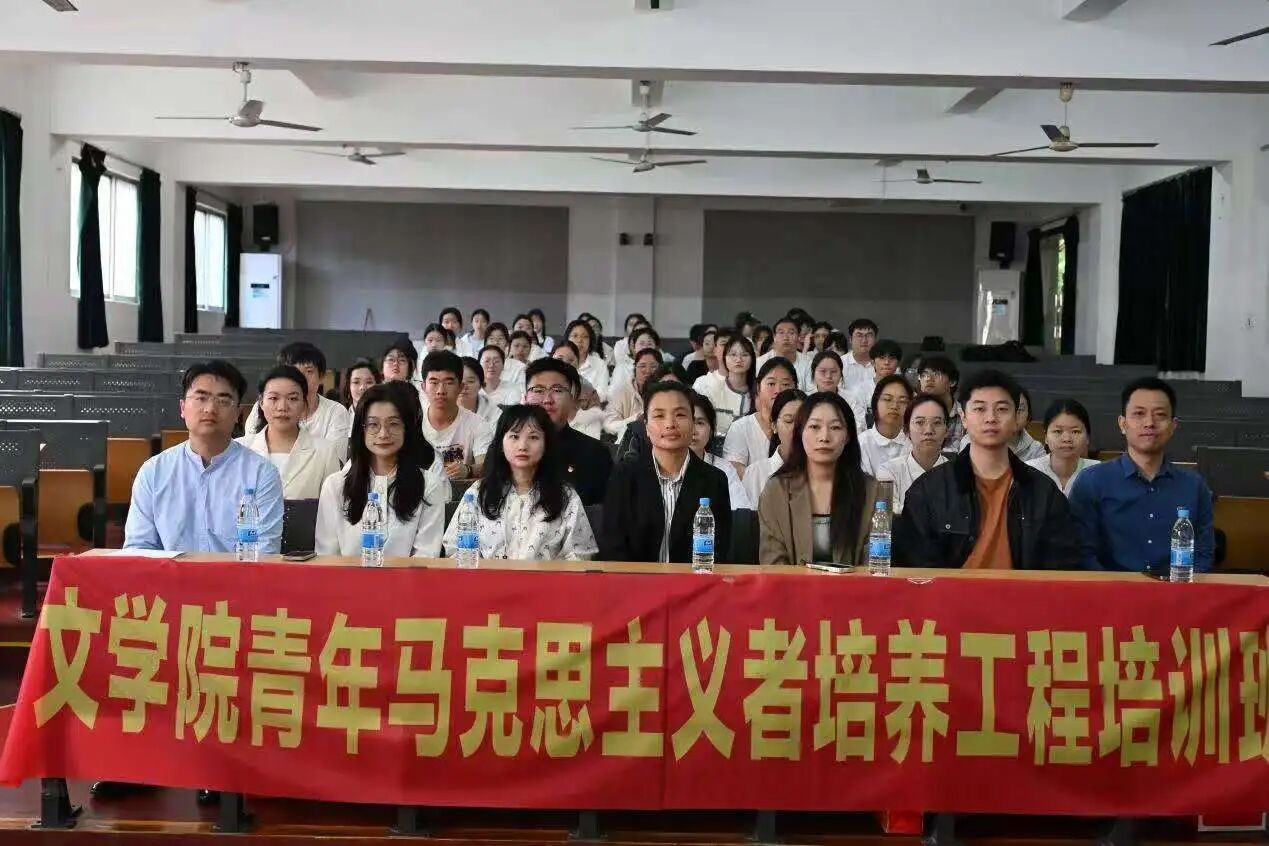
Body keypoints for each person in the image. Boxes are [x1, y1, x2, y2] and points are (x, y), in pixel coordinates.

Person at [894, 369, 1081, 570]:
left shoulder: (1043, 493)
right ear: (963, 418)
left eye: (1001, 409)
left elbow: (1060, 568)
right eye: (980, 409)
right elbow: (914, 565)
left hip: (1021, 590)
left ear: (1016, 419)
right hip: (951, 590)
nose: (991, 418)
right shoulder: (929, 490)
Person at [124, 360, 283, 553]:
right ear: (182, 407)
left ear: (238, 414)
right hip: (170, 573)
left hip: (238, 573)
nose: (210, 409)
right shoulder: (153, 472)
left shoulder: (262, 474)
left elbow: (265, 553)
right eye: (201, 398)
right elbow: (138, 550)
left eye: (223, 400)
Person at [1068, 377, 1214, 573]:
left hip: (1177, 589)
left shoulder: (1194, 486)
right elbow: (1083, 553)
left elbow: (1204, 554)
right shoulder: (1092, 481)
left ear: (1173, 426)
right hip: (1111, 589)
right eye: (1139, 414)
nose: (1149, 423)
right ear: (1122, 424)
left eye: (1160, 415)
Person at [442, 404, 597, 560]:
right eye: (515, 437)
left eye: (533, 437)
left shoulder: (566, 496)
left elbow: (580, 555)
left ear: (546, 445)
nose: (523, 446)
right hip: (488, 575)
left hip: (547, 576)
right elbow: (456, 549)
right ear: (501, 444)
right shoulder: (479, 492)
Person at [599, 382, 732, 563]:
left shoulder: (714, 480)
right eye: (659, 415)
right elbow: (612, 547)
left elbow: (718, 551)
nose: (670, 424)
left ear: (692, 423)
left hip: (693, 579)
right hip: (634, 579)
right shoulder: (624, 476)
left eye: (680, 415)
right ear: (646, 426)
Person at [315, 382, 449, 558]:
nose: (383, 434)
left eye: (393, 424)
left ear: (406, 429)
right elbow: (327, 556)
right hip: (347, 576)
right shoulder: (335, 485)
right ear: (361, 430)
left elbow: (426, 556)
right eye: (373, 424)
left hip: (409, 576)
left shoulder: (429, 485)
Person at [758, 391, 878, 566]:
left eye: (835, 427)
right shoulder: (776, 490)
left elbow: (874, 564)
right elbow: (773, 563)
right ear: (800, 432)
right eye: (814, 427)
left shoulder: (872, 492)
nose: (824, 437)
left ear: (848, 436)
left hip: (853, 584)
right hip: (790, 584)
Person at [237, 366, 342, 501]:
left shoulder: (325, 451)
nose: (282, 407)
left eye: (292, 399)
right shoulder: (240, 449)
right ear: (261, 402)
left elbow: (332, 505)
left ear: (304, 404)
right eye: (274, 398)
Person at [523, 357, 613, 506]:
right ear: (525, 398)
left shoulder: (595, 453)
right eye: (538, 390)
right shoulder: (506, 448)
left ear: (573, 400)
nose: (547, 400)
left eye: (557, 390)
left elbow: (602, 513)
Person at [242, 342, 351, 450]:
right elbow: (250, 449)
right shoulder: (264, 406)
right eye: (294, 371)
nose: (301, 377)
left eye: (309, 371)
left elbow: (334, 456)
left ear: (321, 376)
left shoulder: (335, 412)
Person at [419, 351, 487, 479]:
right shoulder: (413, 422)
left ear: (461, 387)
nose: (440, 391)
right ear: (423, 387)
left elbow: (486, 465)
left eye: (449, 382)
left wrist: (468, 470)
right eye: (434, 382)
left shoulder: (478, 424)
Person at [876, 393, 948, 515]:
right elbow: (888, 515)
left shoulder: (957, 474)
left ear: (947, 430)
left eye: (937, 423)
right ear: (906, 430)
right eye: (920, 422)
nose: (929, 430)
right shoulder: (889, 471)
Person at [723, 357, 797, 476]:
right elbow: (736, 475)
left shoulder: (805, 425)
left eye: (785, 384)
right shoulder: (740, 428)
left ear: (795, 388)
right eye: (771, 384)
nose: (778, 390)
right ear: (758, 388)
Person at [743, 388, 806, 508]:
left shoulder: (819, 471)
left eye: (803, 422)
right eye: (789, 421)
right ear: (774, 425)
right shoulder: (755, 474)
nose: (796, 429)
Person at [1026, 398, 1099, 496]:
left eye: (1075, 431)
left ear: (1087, 438)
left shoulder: (1100, 473)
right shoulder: (1029, 471)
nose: (1066, 439)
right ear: (1046, 437)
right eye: (1058, 431)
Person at [690, 392, 750, 510]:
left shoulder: (724, 469)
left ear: (711, 430)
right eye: (688, 422)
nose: (693, 431)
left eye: (700, 423)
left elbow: (741, 510)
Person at [692, 335, 754, 437]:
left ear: (752, 359)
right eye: (733, 354)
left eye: (745, 354)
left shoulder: (758, 391)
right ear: (724, 358)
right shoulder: (709, 388)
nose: (738, 359)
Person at [858, 375, 913, 476]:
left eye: (902, 401)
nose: (894, 406)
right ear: (875, 403)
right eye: (887, 399)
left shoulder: (914, 441)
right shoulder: (861, 444)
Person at [604, 347, 662, 442]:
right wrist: (636, 419)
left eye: (653, 366)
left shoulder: (667, 392)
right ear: (635, 368)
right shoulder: (621, 391)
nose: (648, 371)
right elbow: (609, 425)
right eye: (642, 366)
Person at [844, 339, 904, 430]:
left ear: (898, 363)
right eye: (882, 358)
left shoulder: (905, 390)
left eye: (891, 358)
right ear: (872, 362)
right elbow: (857, 424)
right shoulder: (860, 391)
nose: (887, 362)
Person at [550, 341, 604, 439]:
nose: (564, 364)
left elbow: (597, 417)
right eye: (559, 359)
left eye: (571, 360)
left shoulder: (587, 388)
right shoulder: (540, 382)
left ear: (578, 364)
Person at [917, 354, 964, 450]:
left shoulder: (965, 415)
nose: (928, 378)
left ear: (952, 382)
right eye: (924, 375)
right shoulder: (911, 412)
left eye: (936, 374)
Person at [755, 316, 811, 389]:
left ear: (798, 337)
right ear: (774, 337)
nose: (786, 338)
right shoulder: (759, 363)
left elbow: (811, 392)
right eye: (781, 333)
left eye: (791, 333)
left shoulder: (808, 363)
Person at [565, 318, 610, 402]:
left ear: (590, 341)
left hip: (590, 407)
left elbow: (602, 394)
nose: (579, 340)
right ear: (567, 339)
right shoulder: (559, 362)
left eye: (585, 337)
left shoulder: (600, 364)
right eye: (575, 336)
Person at [341, 357, 381, 429]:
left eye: (369, 382)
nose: (362, 387)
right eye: (356, 382)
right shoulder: (339, 420)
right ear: (348, 387)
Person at [459, 355, 500, 424]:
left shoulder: (494, 413)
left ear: (480, 385)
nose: (463, 386)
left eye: (470, 381)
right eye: (459, 380)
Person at [479, 344, 522, 409]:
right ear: (479, 365)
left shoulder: (512, 389)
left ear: (503, 365)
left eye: (496, 361)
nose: (491, 365)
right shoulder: (473, 388)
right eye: (487, 361)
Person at [841, 318, 879, 392]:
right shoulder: (840, 363)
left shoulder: (884, 365)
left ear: (875, 339)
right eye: (859, 335)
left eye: (869, 335)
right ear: (850, 339)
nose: (864, 340)